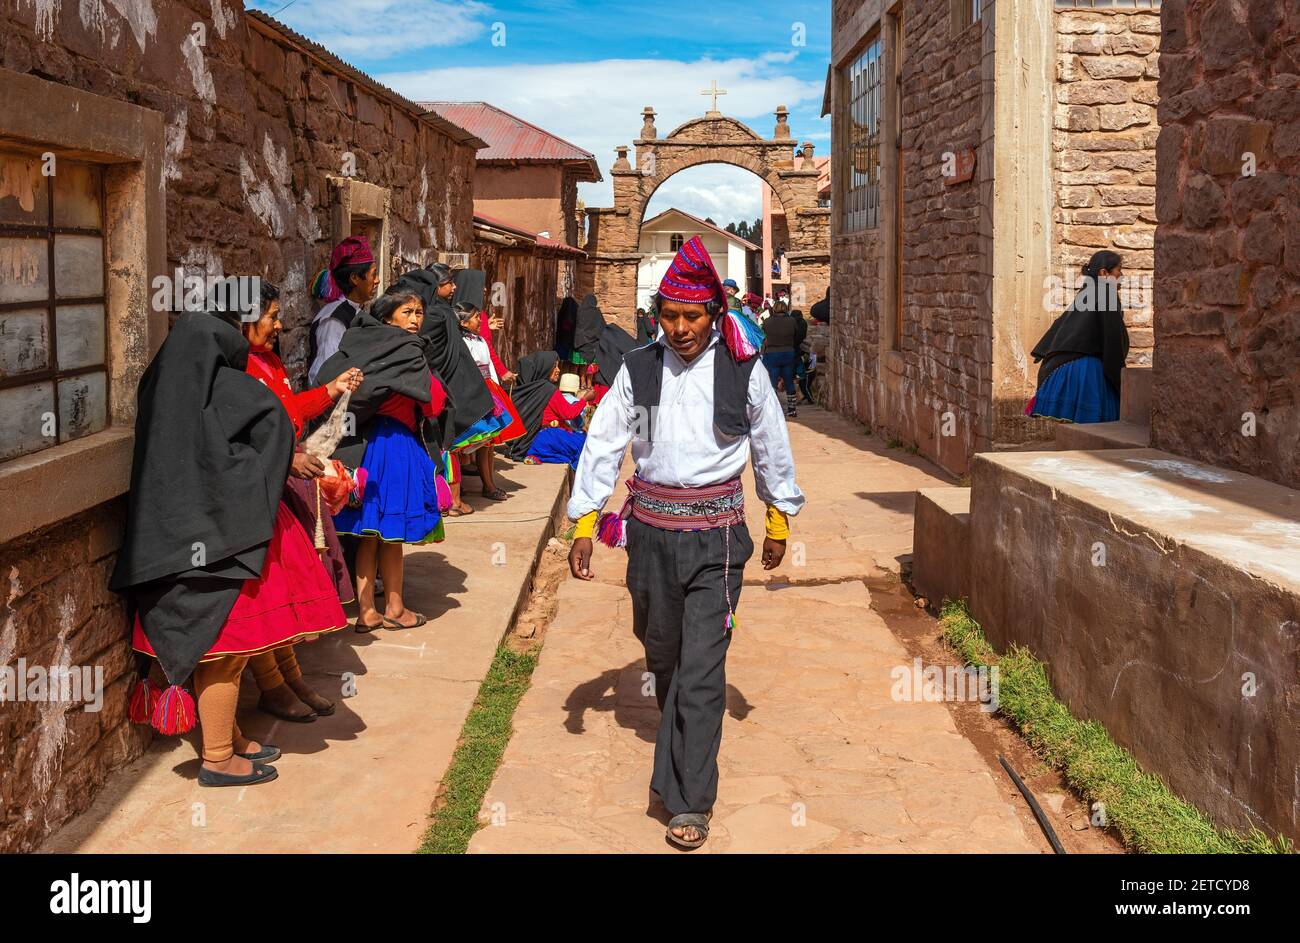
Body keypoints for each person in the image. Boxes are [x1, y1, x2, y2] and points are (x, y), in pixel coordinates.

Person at [566, 235, 804, 850]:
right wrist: (585, 521)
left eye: (691, 316)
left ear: (714, 313)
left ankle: (689, 799)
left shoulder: (744, 371)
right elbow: (604, 441)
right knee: (663, 656)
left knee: (702, 671)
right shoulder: (637, 368)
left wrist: (778, 516)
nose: (680, 328)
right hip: (648, 537)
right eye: (669, 316)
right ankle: (680, 765)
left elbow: (771, 445)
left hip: (718, 539)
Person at [111, 304, 349, 788]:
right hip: (225, 545)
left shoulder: (159, 393)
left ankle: (232, 738)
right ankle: (218, 757)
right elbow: (275, 433)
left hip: (168, 543)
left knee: (213, 648)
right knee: (225, 651)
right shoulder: (229, 390)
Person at [240, 281, 364, 722]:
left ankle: (290, 679)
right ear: (243, 318)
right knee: (264, 598)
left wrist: (330, 390)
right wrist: (287, 458)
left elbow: (288, 411)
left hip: (280, 491)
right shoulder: (236, 368)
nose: (279, 324)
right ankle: (274, 686)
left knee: (285, 592)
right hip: (256, 497)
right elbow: (241, 439)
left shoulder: (268, 361)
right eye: (272, 316)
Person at [322, 290, 448, 632]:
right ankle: (395, 607)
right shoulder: (409, 351)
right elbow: (433, 404)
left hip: (365, 449)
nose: (415, 319)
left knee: (368, 533)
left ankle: (366, 612)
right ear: (389, 317)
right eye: (407, 312)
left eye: (419, 312)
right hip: (395, 448)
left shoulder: (364, 345)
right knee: (390, 536)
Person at [392, 264, 496, 516]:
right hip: (442, 387)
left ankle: (430, 498)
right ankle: (454, 501)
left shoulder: (405, 319)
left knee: (424, 444)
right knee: (445, 444)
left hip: (412, 389)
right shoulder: (440, 314)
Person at [1027, 250, 1129, 424]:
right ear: (1104, 273)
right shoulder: (1106, 293)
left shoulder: (1087, 293)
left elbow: (1062, 324)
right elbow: (1112, 339)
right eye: (1119, 269)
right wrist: (1119, 379)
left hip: (1064, 368)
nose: (1122, 275)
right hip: (1087, 372)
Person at [457, 300, 525, 500]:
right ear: (463, 323)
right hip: (473, 392)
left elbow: (491, 370)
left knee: (488, 444)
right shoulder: (463, 343)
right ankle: (464, 487)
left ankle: (489, 485)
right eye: (476, 317)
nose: (480, 321)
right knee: (468, 444)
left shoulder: (481, 342)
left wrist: (496, 396)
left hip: (488, 392)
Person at [308, 236, 379, 385]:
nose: (377, 280)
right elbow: (324, 373)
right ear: (355, 278)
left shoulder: (356, 310)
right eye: (373, 274)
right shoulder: (334, 320)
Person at [762, 299, 802, 418]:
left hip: (772, 353)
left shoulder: (768, 322)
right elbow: (796, 335)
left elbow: (764, 337)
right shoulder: (792, 321)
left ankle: (773, 409)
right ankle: (791, 409)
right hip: (788, 352)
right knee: (789, 381)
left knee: (772, 382)